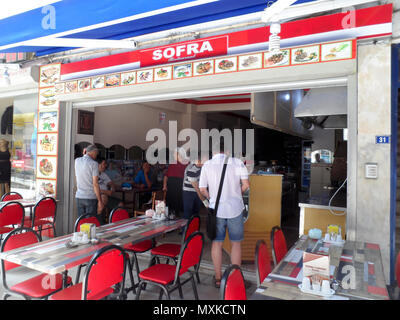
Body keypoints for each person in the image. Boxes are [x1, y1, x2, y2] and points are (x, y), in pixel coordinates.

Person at [199, 142, 250, 289]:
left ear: (213, 152)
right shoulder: (238, 162)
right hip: (235, 209)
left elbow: (202, 189)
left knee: (217, 243)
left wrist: (213, 198)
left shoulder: (207, 165)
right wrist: (236, 195)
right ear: (227, 151)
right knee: (236, 243)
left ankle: (218, 278)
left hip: (217, 211)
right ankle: (235, 278)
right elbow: (246, 185)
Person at [74, 144, 104, 222]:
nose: (96, 156)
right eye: (96, 154)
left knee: (81, 222)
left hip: (79, 196)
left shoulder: (77, 161)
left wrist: (85, 152)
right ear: (93, 152)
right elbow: (95, 184)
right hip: (90, 197)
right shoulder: (94, 164)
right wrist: (100, 201)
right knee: (90, 222)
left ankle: (81, 234)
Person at [163, 148, 188, 218]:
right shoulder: (172, 164)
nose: (173, 155)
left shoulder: (186, 163)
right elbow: (166, 176)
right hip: (171, 188)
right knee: (170, 208)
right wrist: (164, 186)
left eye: (175, 153)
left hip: (180, 188)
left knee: (180, 208)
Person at [182, 151, 206, 220]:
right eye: (204, 160)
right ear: (198, 160)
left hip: (197, 192)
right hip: (189, 193)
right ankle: (186, 230)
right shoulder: (191, 169)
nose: (206, 161)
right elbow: (197, 189)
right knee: (188, 214)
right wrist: (205, 202)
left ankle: (194, 230)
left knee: (195, 214)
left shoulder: (202, 168)